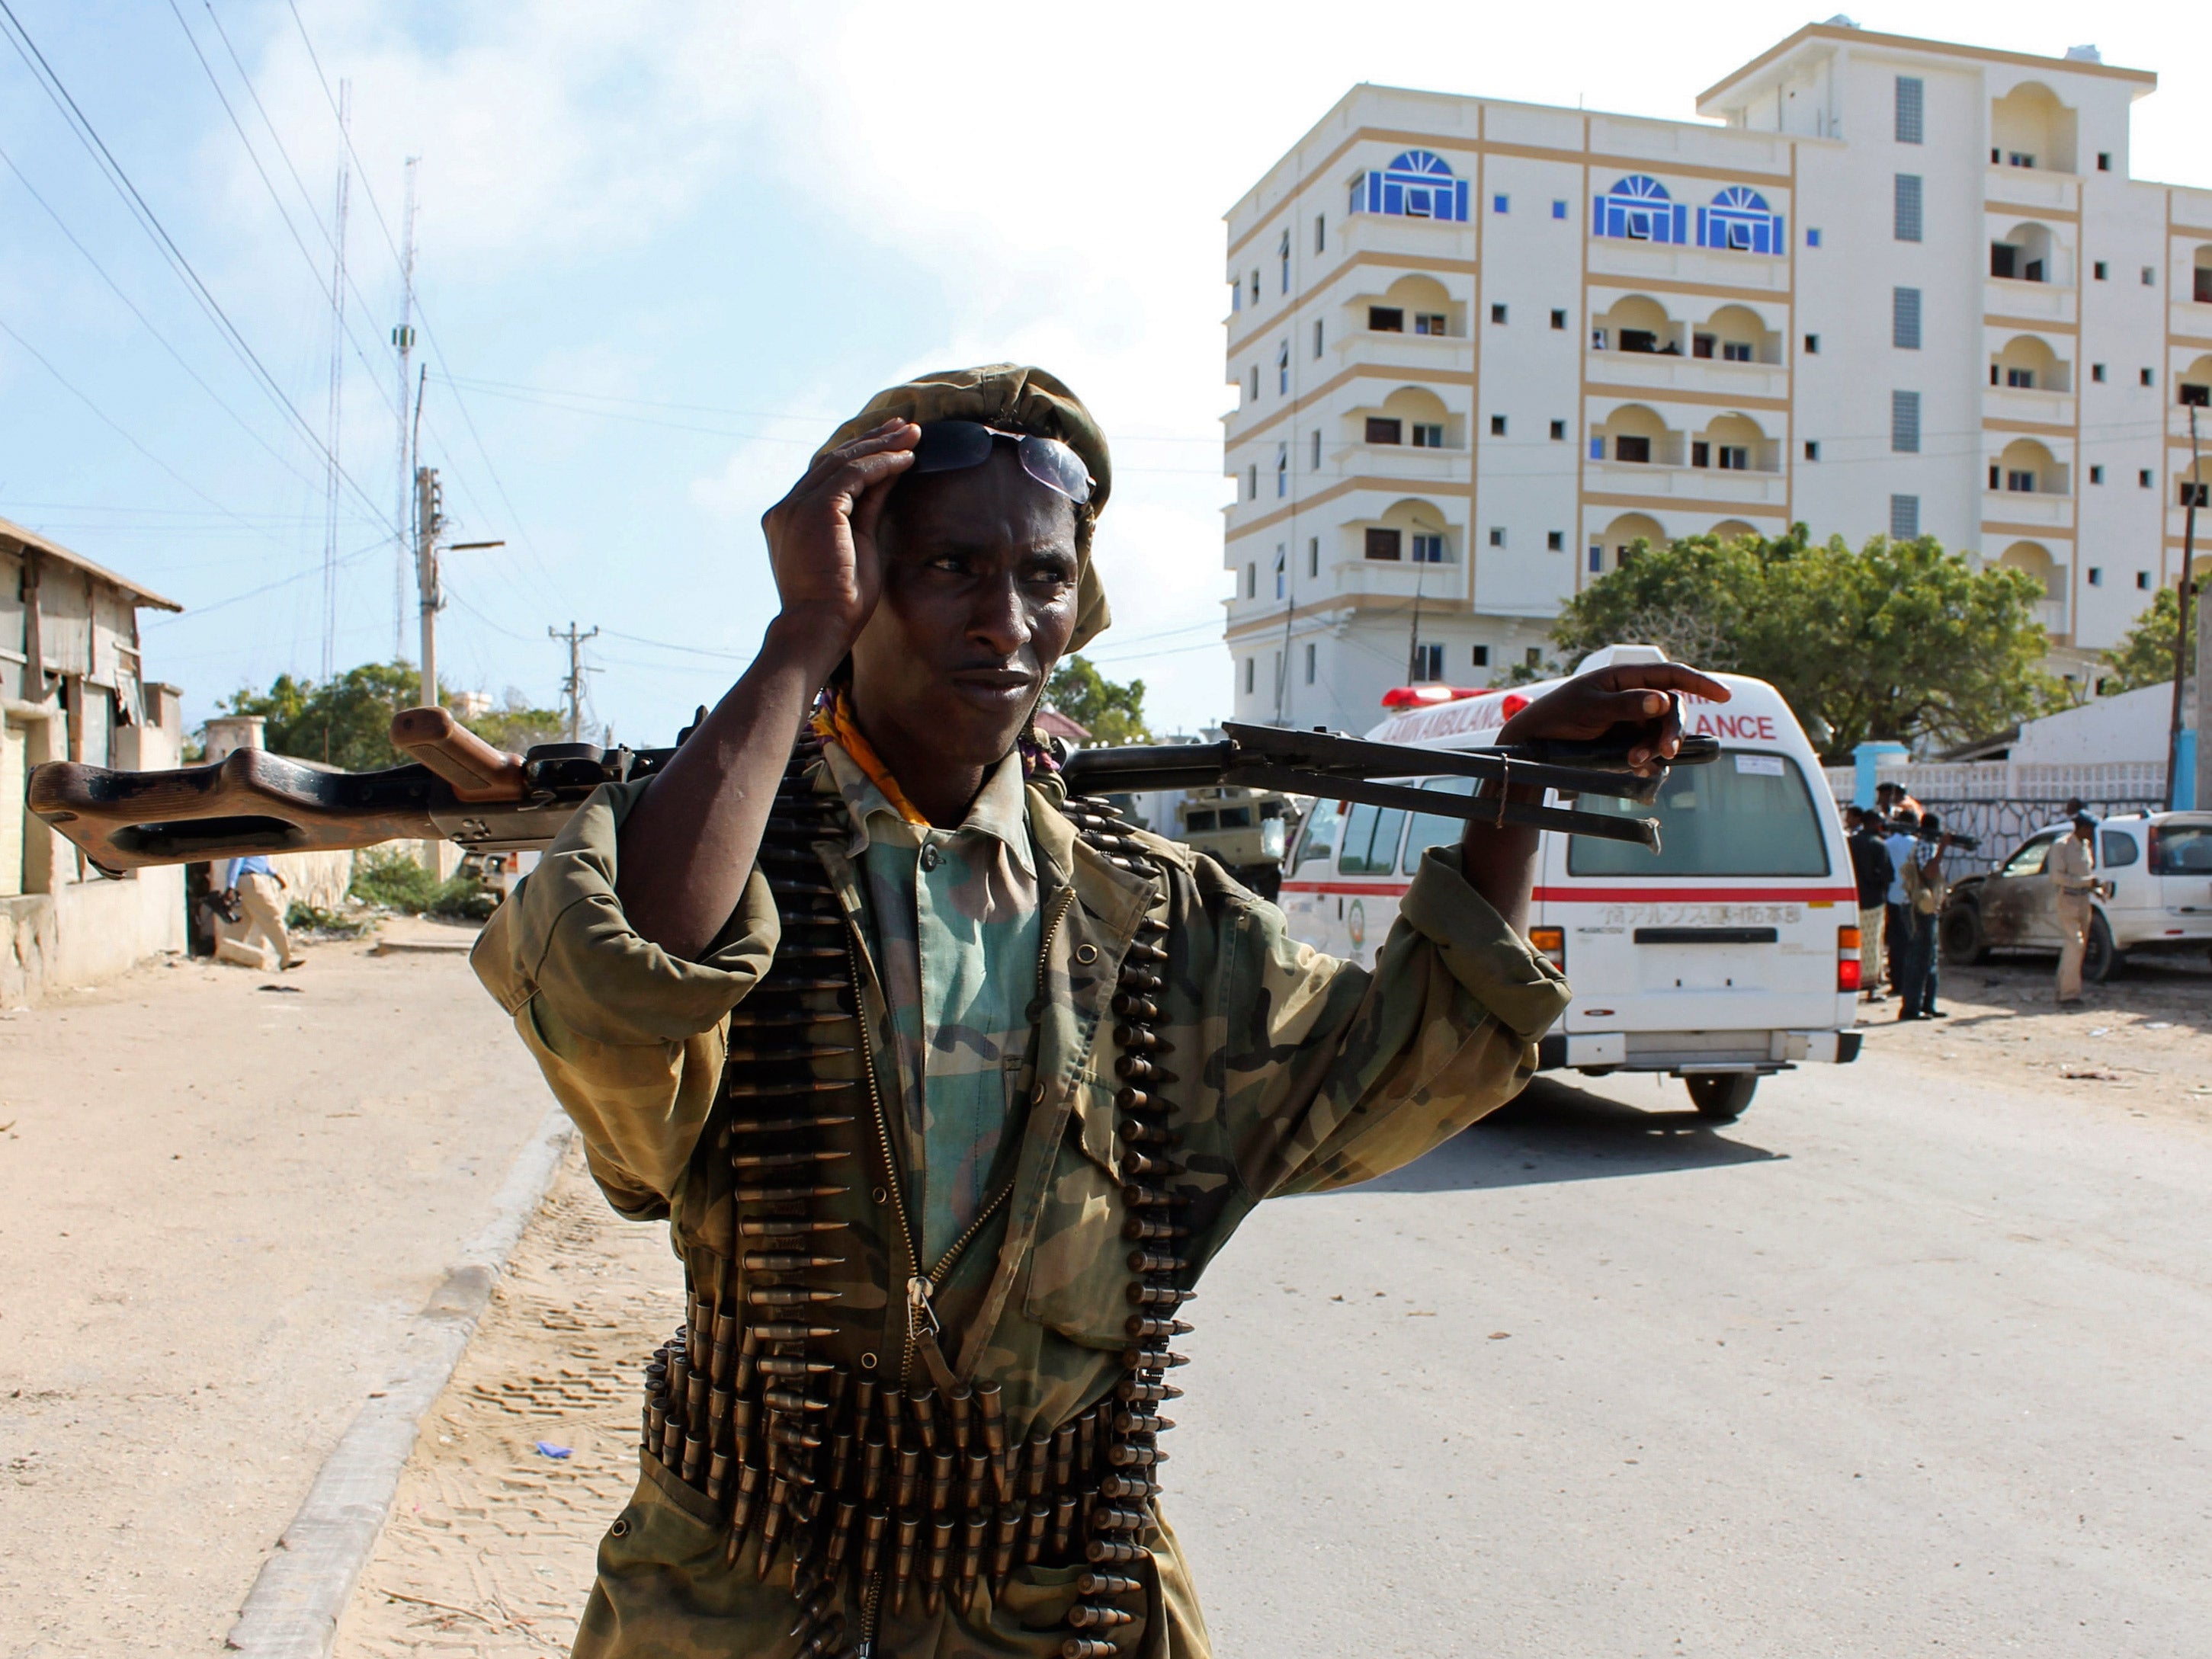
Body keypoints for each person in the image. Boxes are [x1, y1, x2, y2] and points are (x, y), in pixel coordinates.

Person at [470, 363, 1726, 1659]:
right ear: (851, 577)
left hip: (1063, 1595)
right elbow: (626, 995)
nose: (1002, 621)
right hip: (746, 1593)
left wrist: (1514, 788)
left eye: (1042, 576)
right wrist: (797, 640)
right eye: (949, 565)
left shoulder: (1152, 911)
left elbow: (1392, 1070)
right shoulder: (736, 864)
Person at [1895, 815, 1952, 1020]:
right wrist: (1943, 849)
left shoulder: (1924, 845)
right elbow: (1928, 873)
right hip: (1918, 909)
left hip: (1923, 908)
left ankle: (1927, 1004)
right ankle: (1912, 1008)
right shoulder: (1926, 846)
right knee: (1919, 959)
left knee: (1929, 958)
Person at [2050, 814, 2109, 1004]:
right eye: (2090, 829)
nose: (2093, 833)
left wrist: (2097, 888)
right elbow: (2057, 877)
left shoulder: (2085, 847)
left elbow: (2086, 874)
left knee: (2076, 947)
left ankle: (2063, 989)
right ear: (2081, 828)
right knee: (2075, 943)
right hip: (2067, 899)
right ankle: (2069, 994)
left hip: (2084, 900)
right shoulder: (2062, 846)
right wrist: (2086, 882)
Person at [219, 853, 301, 970]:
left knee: (241, 922)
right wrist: (230, 886)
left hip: (247, 880)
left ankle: (225, 956)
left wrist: (276, 876)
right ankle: (286, 958)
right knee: (272, 917)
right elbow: (237, 860)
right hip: (251, 880)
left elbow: (261, 863)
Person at [1844, 806, 1893, 1002]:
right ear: (1873, 823)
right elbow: (1888, 876)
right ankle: (1871, 986)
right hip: (1874, 901)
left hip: (1854, 900)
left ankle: (1852, 984)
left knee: (1852, 944)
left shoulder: (1851, 843)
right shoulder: (1879, 845)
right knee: (1872, 944)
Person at [1881, 806, 1919, 996]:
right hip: (1912, 897)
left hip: (1892, 896)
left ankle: (1897, 981)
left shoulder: (1888, 844)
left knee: (1895, 941)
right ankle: (1909, 981)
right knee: (1912, 941)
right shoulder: (1917, 844)